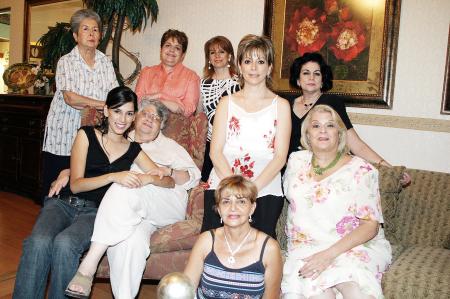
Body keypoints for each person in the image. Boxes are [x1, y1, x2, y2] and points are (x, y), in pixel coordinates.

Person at [13, 86, 169, 299]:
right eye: (117, 111)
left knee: (65, 244)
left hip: (95, 213)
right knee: (37, 241)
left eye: (129, 113)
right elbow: (76, 184)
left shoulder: (134, 150)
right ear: (105, 111)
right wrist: (113, 176)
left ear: (134, 117)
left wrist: (157, 175)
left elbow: (166, 181)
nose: (122, 119)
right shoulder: (86, 135)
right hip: (63, 203)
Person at [65, 100, 201, 298]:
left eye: (156, 118)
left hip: (165, 202)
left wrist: (167, 171)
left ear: (161, 126)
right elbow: (96, 166)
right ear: (135, 117)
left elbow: (193, 177)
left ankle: (88, 265)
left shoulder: (170, 146)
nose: (150, 120)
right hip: (132, 211)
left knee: (125, 185)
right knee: (130, 243)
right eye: (146, 114)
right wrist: (66, 171)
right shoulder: (120, 140)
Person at [282, 105, 392, 299]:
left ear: (340, 134)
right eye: (316, 126)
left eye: (330, 125)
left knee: (353, 287)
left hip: (351, 246)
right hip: (306, 247)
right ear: (307, 135)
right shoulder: (296, 161)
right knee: (319, 292)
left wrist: (328, 255)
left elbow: (370, 227)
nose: (323, 130)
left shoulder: (362, 170)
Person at [201, 34, 291, 239]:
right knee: (213, 249)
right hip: (224, 184)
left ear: (269, 68)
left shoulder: (282, 106)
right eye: (248, 61)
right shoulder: (226, 103)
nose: (253, 67)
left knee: (256, 255)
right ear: (240, 66)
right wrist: (235, 190)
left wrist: (250, 192)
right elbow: (215, 152)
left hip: (264, 188)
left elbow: (279, 158)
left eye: (260, 62)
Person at [287, 52, 411, 185]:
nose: (311, 77)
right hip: (291, 172)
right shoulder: (286, 104)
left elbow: (356, 144)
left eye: (317, 73)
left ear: (322, 80)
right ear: (298, 80)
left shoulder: (332, 102)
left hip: (322, 172)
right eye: (306, 73)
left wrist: (390, 170)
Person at [41, 9, 118, 204]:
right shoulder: (66, 61)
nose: (92, 34)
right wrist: (102, 104)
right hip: (64, 133)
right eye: (86, 29)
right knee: (56, 188)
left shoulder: (105, 62)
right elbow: (71, 98)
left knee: (82, 188)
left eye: (95, 30)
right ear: (75, 35)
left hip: (92, 133)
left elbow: (114, 94)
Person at [184, 175, 282, 298]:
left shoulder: (269, 248)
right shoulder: (206, 240)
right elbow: (186, 290)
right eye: (226, 201)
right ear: (219, 209)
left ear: (252, 208)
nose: (233, 208)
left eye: (241, 201)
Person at [197, 36, 240, 181]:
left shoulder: (240, 83)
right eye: (212, 52)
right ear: (208, 57)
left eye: (221, 52)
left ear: (229, 56)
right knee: (208, 184)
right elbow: (199, 114)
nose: (217, 56)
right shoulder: (202, 83)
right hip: (210, 144)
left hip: (233, 144)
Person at [135, 29, 200, 117]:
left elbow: (188, 109)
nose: (171, 50)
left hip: (174, 127)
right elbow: (138, 100)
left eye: (177, 48)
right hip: (145, 121)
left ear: (183, 55)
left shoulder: (192, 77)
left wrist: (160, 96)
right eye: (168, 45)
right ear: (161, 49)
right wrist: (175, 102)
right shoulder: (146, 72)